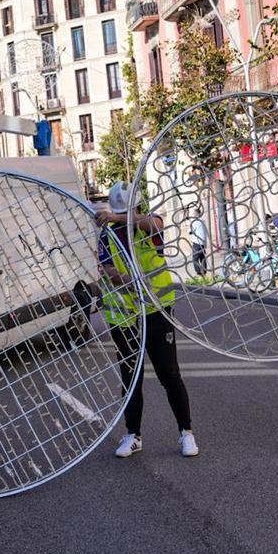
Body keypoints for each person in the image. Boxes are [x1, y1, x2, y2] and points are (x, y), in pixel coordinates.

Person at [97, 181, 198, 459]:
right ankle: (133, 435)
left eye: (124, 211)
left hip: (156, 311)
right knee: (131, 378)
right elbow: (105, 268)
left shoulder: (146, 225)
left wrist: (119, 216)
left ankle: (186, 432)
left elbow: (155, 224)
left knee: (170, 374)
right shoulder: (107, 235)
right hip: (125, 317)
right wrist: (123, 280)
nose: (120, 216)